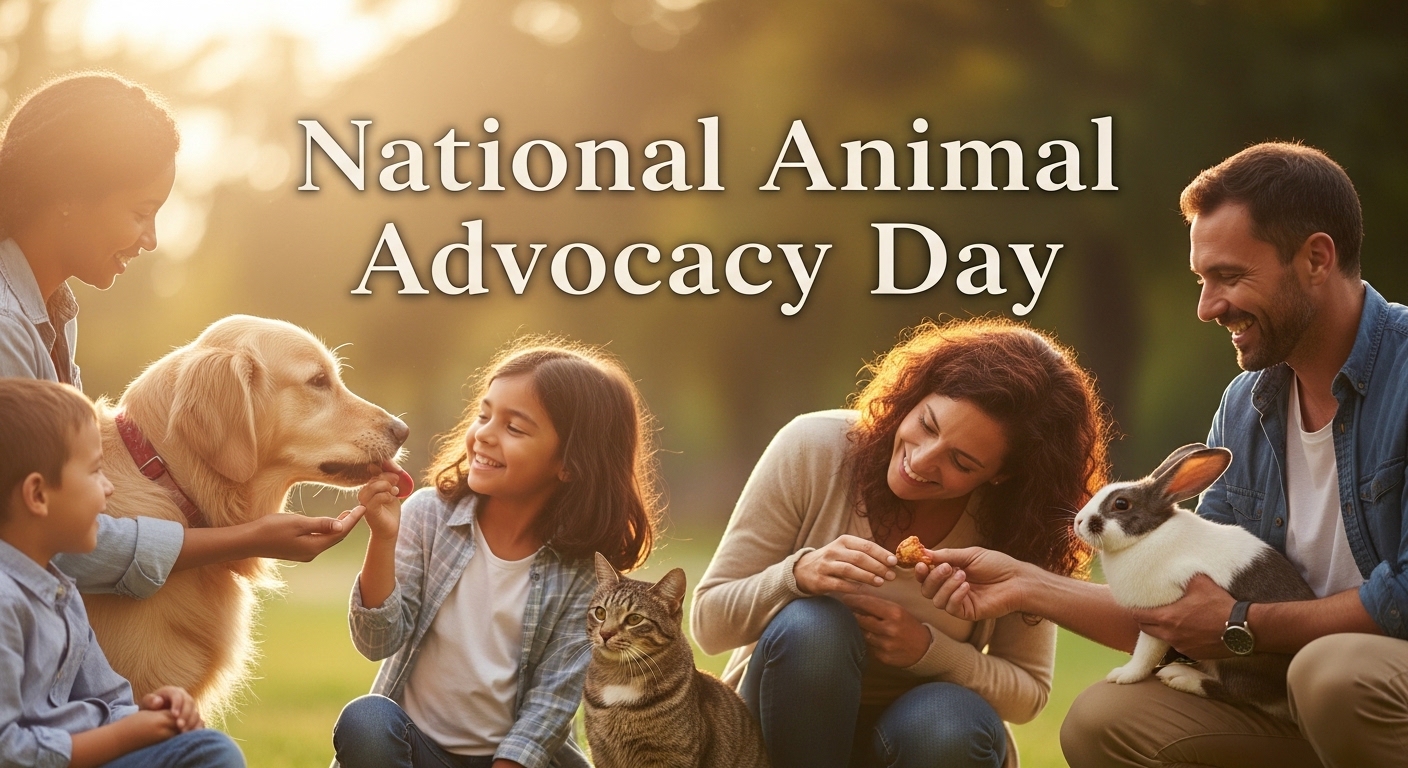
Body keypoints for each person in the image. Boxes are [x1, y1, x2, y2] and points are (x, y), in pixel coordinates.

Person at [918, 142, 1408, 768]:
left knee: (1333, 673)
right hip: (1282, 689)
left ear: (1316, 257)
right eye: (1202, 281)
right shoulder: (1248, 406)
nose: (1208, 307)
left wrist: (1246, 623)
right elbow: (1188, 611)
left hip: (1365, 686)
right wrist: (1025, 585)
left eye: (1230, 277)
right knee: (1104, 721)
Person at [0, 71, 361, 604]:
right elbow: (49, 537)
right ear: (70, 196)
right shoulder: (7, 325)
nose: (150, 239)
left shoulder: (55, 314)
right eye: (140, 213)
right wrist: (243, 540)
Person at [692, 317, 1113, 768]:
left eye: (962, 462)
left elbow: (1028, 693)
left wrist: (929, 651)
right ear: (913, 397)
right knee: (815, 627)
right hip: (780, 735)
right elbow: (708, 624)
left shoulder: (1020, 524)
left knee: (945, 726)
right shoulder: (813, 447)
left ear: (1002, 475)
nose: (922, 460)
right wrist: (797, 575)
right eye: (927, 425)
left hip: (919, 742)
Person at [332, 340, 662, 768]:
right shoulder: (427, 516)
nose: (484, 434)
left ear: (569, 464)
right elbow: (376, 641)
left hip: (515, 762)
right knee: (367, 720)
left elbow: (550, 706)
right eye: (484, 415)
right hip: (418, 754)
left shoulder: (584, 576)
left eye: (515, 428)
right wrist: (382, 539)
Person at [0, 378, 245, 768]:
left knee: (204, 747)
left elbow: (111, 699)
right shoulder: (6, 604)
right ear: (38, 496)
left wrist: (153, 711)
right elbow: (8, 750)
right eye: (95, 471)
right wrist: (123, 735)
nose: (110, 488)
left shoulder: (61, 593)